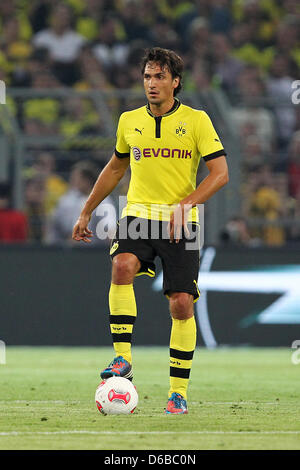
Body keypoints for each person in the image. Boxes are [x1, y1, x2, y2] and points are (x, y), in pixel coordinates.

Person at [72, 47, 229, 414]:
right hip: (138, 214)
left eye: (159, 77)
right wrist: (86, 211)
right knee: (121, 265)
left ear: (175, 82)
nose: (152, 83)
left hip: (182, 222)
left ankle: (178, 393)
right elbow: (114, 168)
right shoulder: (129, 120)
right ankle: (122, 359)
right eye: (147, 76)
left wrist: (186, 204)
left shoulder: (197, 121)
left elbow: (221, 174)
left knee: (181, 304)